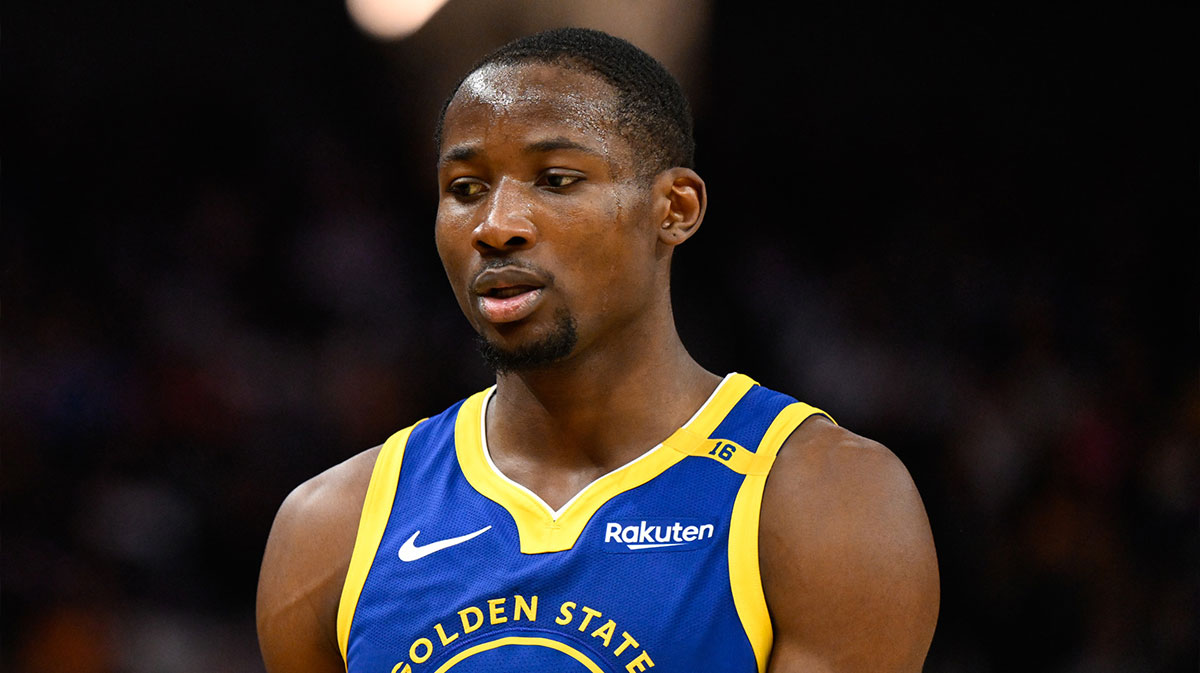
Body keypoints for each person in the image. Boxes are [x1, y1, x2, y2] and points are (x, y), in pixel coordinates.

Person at [257, 27, 939, 673]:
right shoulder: (330, 528)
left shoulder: (826, 501)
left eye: (556, 179)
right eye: (465, 189)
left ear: (673, 208)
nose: (497, 226)